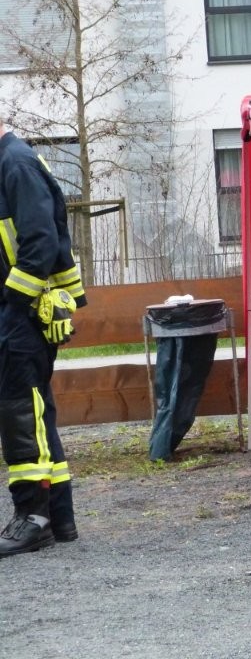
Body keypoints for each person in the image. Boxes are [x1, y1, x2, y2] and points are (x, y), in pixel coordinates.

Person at [0, 124, 87, 557]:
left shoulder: (14, 164)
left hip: (22, 313)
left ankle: (32, 517)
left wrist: (13, 304)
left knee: (20, 410)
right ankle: (57, 516)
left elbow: (40, 241)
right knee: (34, 411)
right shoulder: (13, 162)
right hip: (24, 312)